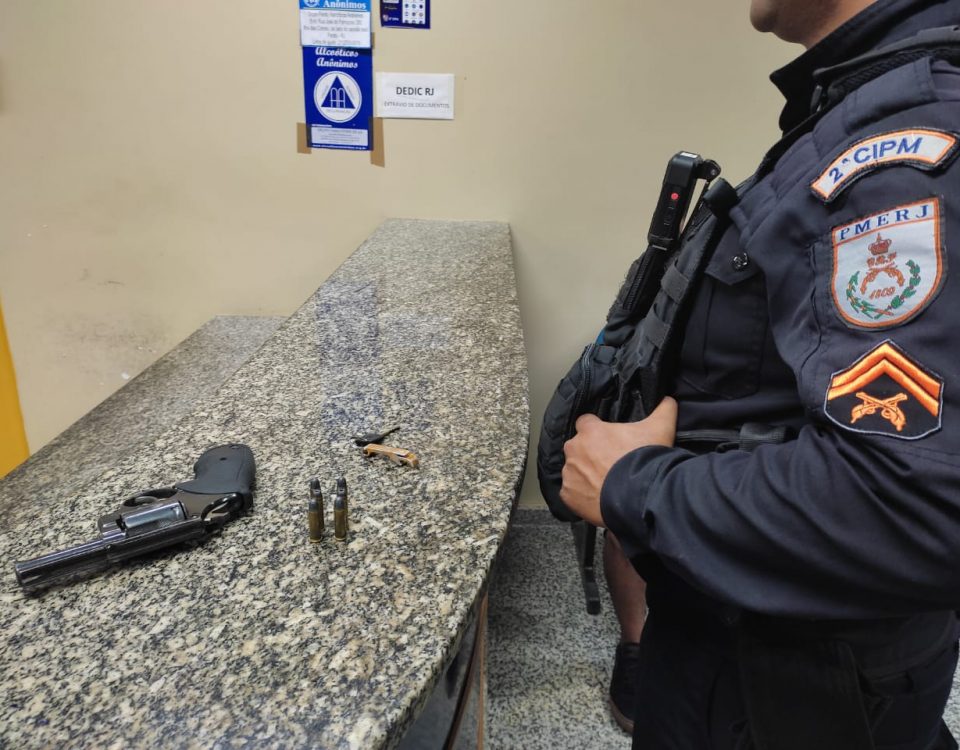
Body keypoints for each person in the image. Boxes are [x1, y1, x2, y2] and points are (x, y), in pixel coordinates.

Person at [558, 0, 960, 747]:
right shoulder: (862, 100)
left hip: (788, 683)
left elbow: (909, 502)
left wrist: (633, 486)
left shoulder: (907, 146)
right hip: (763, 641)